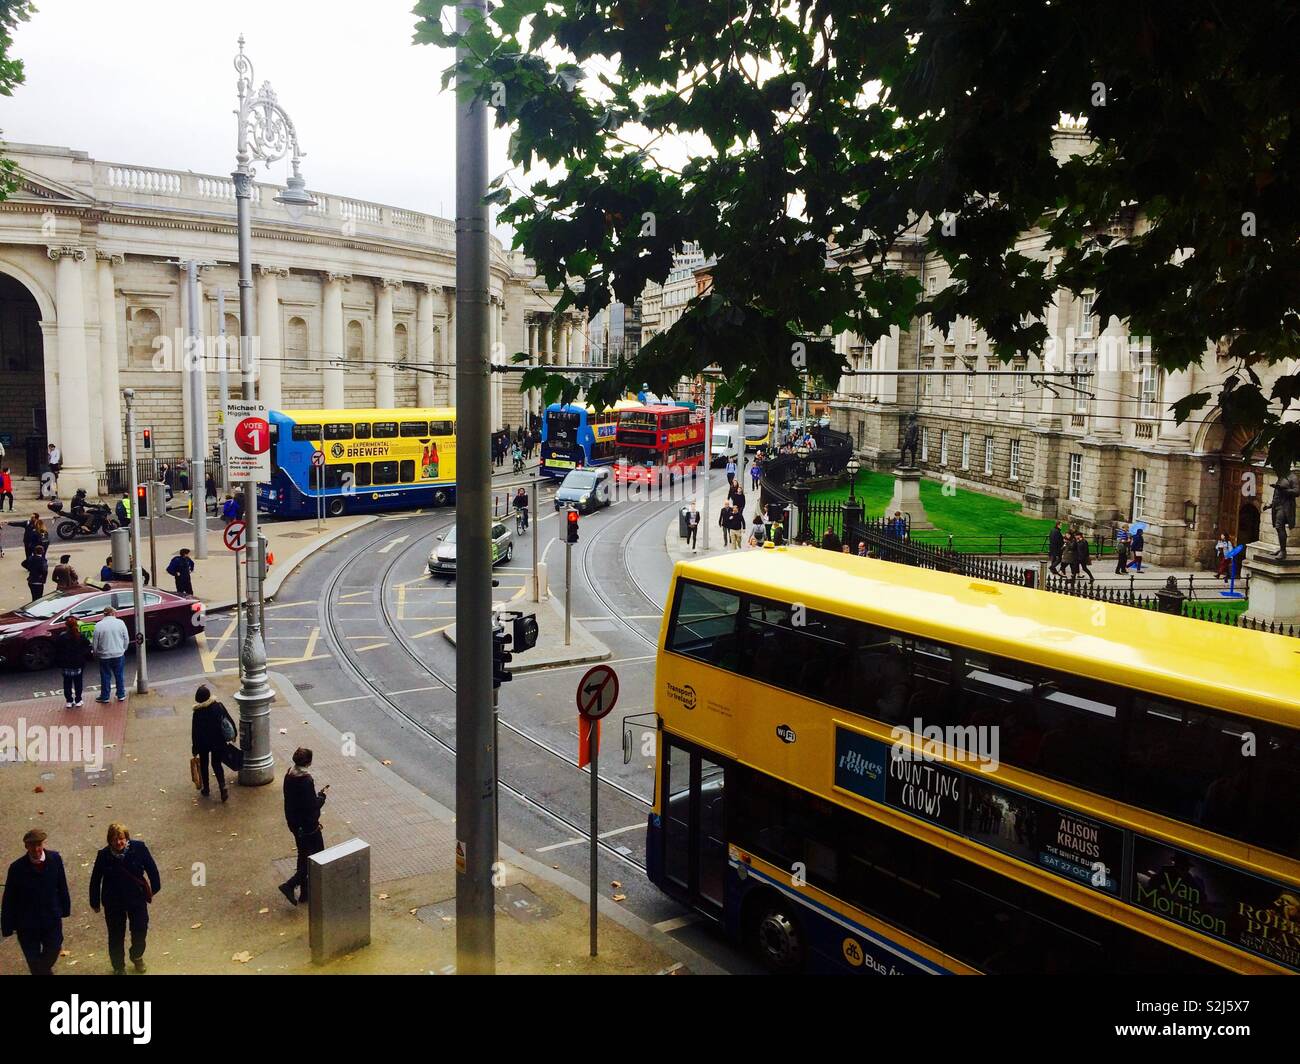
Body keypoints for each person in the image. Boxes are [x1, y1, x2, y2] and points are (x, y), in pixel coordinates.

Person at [89, 823, 160, 976]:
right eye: (114, 840)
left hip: (136, 898)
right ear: (110, 841)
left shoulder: (139, 848)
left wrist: (153, 889)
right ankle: (118, 967)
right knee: (116, 935)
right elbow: (95, 879)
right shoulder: (103, 855)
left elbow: (152, 869)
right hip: (114, 902)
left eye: (121, 839)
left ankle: (136, 955)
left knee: (140, 929)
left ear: (127, 838)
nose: (118, 843)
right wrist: (94, 902)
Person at [1, 828, 71, 975]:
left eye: (38, 844)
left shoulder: (55, 859)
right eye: (32, 845)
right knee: (33, 959)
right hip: (27, 924)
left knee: (53, 948)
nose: (36, 849)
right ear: (26, 846)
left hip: (50, 919)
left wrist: (65, 908)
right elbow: (9, 898)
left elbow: (61, 884)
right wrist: (7, 926)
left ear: (43, 844)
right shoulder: (17, 868)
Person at [279, 747, 328, 907]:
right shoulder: (306, 780)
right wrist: (321, 798)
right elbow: (311, 805)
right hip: (308, 825)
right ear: (308, 762)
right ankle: (290, 885)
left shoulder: (289, 774)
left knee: (303, 854)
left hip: (294, 823)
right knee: (317, 856)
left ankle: (305, 892)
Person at [191, 685, 234, 801]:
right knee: (216, 764)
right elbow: (228, 720)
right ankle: (222, 786)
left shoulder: (197, 713)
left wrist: (194, 748)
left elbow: (195, 732)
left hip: (203, 743)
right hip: (218, 741)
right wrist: (233, 734)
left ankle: (206, 788)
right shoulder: (218, 706)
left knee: (204, 765)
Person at [92, 605, 130, 704]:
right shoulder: (120, 623)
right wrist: (123, 649)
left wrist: (95, 653)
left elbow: (95, 642)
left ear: (104, 614)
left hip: (104, 655)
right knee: (119, 674)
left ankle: (105, 696)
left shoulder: (99, 625)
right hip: (118, 654)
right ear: (113, 613)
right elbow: (126, 638)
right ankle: (121, 694)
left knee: (105, 676)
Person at [54, 616, 91, 709]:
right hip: (78, 663)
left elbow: (57, 649)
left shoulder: (62, 637)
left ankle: (69, 701)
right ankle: (78, 699)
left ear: (66, 626)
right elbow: (87, 646)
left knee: (67, 683)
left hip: (65, 664)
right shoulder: (80, 636)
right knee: (78, 682)